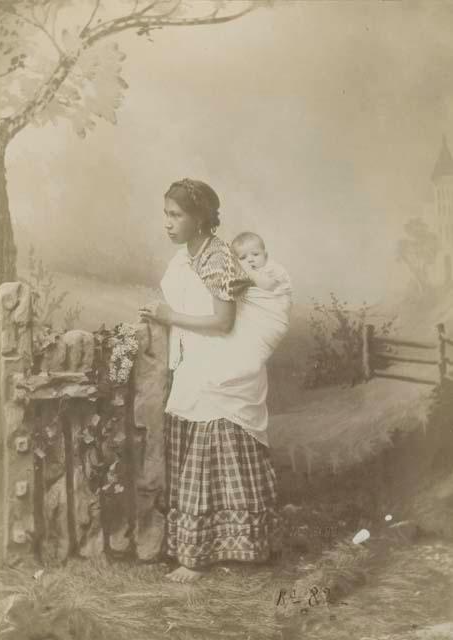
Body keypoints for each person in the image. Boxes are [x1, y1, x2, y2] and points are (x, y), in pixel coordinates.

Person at [139, 178, 278, 583]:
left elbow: (223, 321)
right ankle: (204, 546)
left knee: (213, 450)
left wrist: (169, 317)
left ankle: (208, 554)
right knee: (196, 451)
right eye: (165, 214)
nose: (167, 223)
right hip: (195, 362)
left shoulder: (217, 257)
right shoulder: (186, 257)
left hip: (223, 362)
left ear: (199, 219)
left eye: (175, 215)